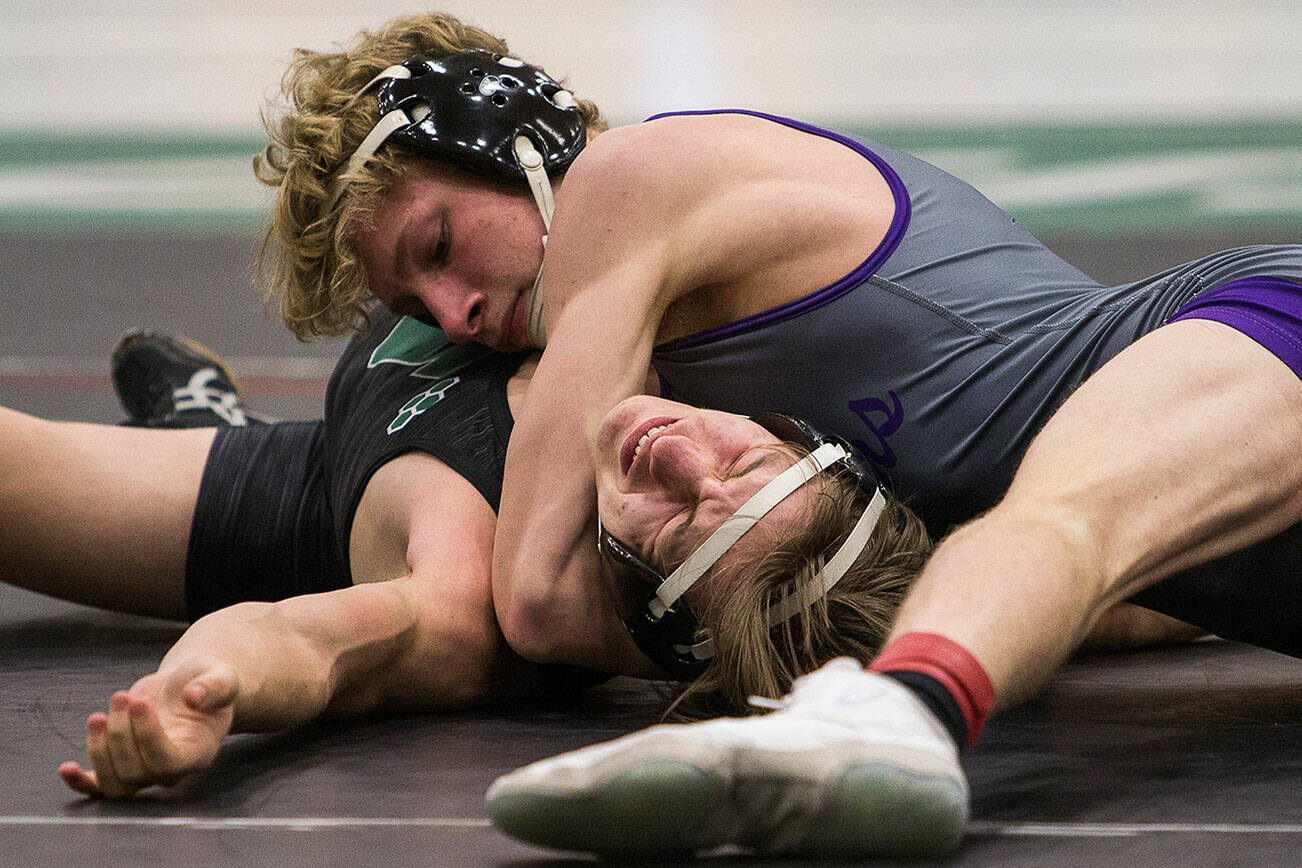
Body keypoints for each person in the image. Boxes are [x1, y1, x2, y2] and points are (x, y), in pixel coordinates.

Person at [247, 10, 1302, 859]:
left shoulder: (623, 190)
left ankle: (896, 716)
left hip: (1249, 324)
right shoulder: (660, 338)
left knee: (1064, 525)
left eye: (438, 244)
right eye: (416, 302)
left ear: (518, 140)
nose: (454, 311)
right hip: (1233, 512)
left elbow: (535, 600)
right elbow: (1141, 606)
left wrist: (779, 623)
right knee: (1070, 544)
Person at [18, 316, 936, 799]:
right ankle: (209, 420)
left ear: (652, 605)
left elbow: (306, 642)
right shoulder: (745, 331)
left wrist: (199, 693)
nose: (674, 447)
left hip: (302, 506)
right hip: (371, 429)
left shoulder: (469, 605)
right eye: (746, 456)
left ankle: (212, 431)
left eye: (676, 522)